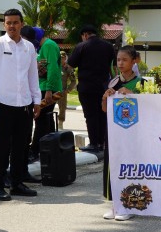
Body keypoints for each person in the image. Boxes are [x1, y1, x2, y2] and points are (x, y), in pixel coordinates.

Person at [0, 9, 41, 201]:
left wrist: (37, 101)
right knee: (1, 146)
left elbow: (33, 76)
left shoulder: (29, 48)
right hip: (2, 103)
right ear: (4, 25)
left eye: (15, 22)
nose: (12, 26)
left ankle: (17, 183)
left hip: (24, 103)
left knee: (21, 146)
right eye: (8, 23)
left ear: (22, 24)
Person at [101, 46, 143, 221]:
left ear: (134, 61)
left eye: (124, 60)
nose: (121, 63)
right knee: (113, 166)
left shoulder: (141, 83)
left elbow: (148, 108)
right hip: (114, 133)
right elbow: (104, 109)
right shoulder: (113, 82)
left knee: (131, 167)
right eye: (118, 60)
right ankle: (115, 204)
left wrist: (133, 95)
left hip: (133, 134)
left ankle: (131, 204)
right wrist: (105, 97)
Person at [67, 24, 116, 152]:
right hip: (104, 86)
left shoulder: (81, 46)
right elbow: (113, 66)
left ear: (85, 35)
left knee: (90, 115)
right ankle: (102, 142)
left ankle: (93, 143)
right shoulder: (108, 46)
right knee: (102, 114)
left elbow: (71, 64)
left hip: (86, 87)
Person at [29, 26, 62, 163]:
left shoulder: (49, 45)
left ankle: (35, 150)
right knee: (47, 120)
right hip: (43, 87)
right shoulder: (41, 47)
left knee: (41, 119)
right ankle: (48, 148)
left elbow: (53, 68)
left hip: (48, 88)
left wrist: (49, 90)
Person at [57, 51, 76, 130]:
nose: (61, 59)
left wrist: (68, 90)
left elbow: (74, 80)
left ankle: (60, 123)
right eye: (60, 58)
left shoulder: (68, 68)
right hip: (53, 90)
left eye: (63, 58)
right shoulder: (55, 66)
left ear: (65, 58)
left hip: (62, 91)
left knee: (62, 108)